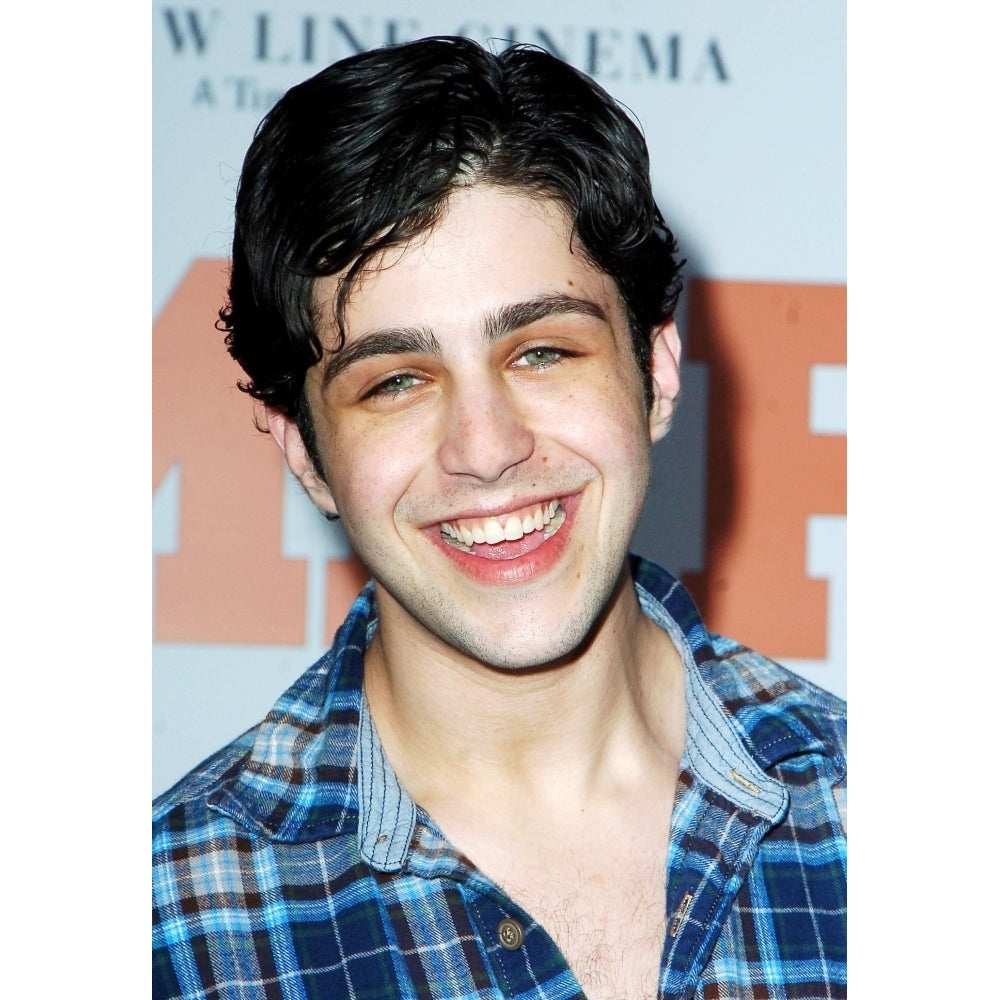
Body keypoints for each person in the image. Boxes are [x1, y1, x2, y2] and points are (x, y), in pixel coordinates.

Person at [152, 35, 846, 1000]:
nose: (485, 447)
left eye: (543, 352)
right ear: (305, 450)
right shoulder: (166, 929)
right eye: (397, 380)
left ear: (656, 372)